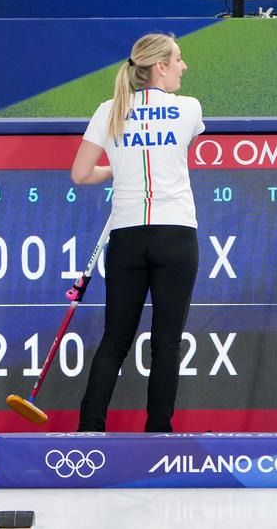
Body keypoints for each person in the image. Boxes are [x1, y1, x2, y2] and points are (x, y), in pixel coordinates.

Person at [72, 33, 204, 433]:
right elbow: (170, 151)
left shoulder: (108, 110)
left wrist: (118, 167)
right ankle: (158, 435)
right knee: (167, 341)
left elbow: (80, 174)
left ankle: (89, 431)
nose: (184, 67)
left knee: (115, 339)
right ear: (160, 66)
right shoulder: (189, 108)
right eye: (178, 59)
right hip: (175, 234)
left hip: (127, 236)